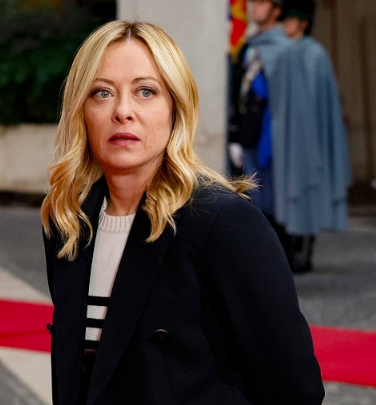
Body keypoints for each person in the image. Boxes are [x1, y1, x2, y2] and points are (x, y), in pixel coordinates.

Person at [40, 20, 324, 404]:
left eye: (145, 91)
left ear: (175, 107)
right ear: (81, 111)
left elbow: (296, 389)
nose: (123, 111)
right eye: (102, 93)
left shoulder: (222, 222)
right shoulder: (69, 223)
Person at [270, 0, 351, 273]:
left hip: (310, 138)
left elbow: (319, 104)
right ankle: (291, 248)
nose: (285, 24)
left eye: (290, 20)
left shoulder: (315, 56)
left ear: (303, 23)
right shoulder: (285, 53)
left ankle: (305, 250)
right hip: (287, 138)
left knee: (310, 192)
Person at [227, 0, 300, 269]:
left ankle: (279, 263)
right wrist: (235, 135)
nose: (254, 7)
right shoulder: (250, 46)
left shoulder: (285, 50)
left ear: (276, 10)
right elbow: (239, 94)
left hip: (274, 138)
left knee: (274, 204)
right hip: (250, 135)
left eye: (261, 2)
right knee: (254, 204)